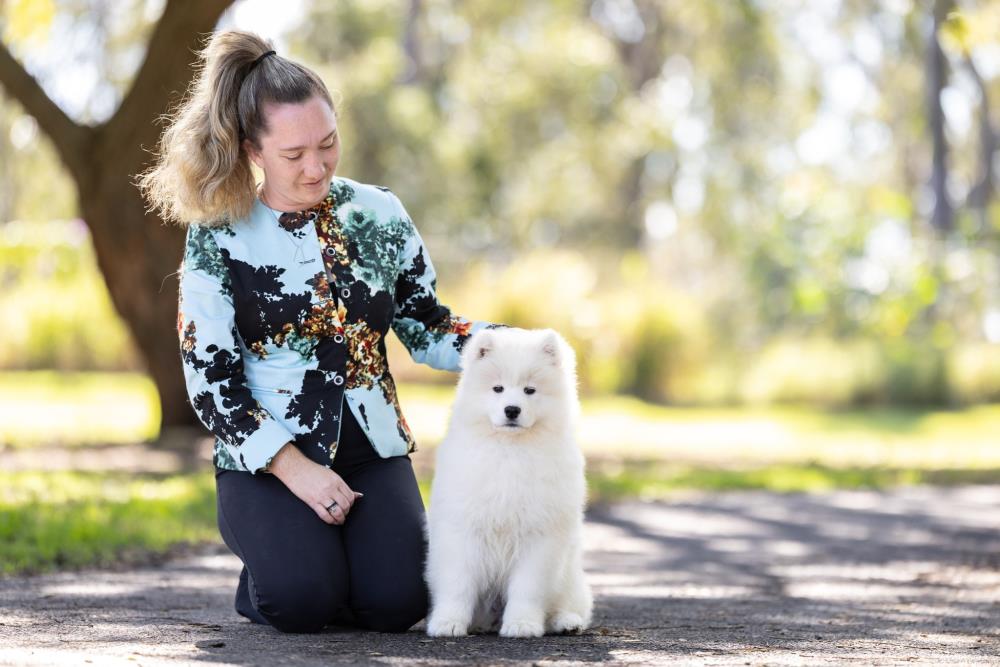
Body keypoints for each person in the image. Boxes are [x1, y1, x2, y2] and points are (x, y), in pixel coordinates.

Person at [136, 30, 506, 634]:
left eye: (328, 144)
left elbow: (426, 324)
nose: (316, 167)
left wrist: (512, 345)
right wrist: (294, 468)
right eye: (294, 154)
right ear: (254, 150)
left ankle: (330, 568)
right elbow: (211, 381)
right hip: (268, 459)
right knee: (301, 601)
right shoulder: (217, 235)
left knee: (401, 603)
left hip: (371, 449)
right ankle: (282, 573)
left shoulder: (380, 213)